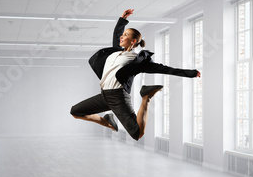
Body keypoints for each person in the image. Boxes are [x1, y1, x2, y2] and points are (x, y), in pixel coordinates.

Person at [71, 9, 201, 141]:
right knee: (75, 111)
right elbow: (116, 35)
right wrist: (123, 20)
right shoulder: (116, 52)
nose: (122, 36)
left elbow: (164, 69)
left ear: (133, 41)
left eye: (126, 35)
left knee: (137, 133)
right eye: (123, 34)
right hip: (104, 95)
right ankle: (108, 122)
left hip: (118, 97)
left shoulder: (136, 60)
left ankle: (146, 96)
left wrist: (191, 73)